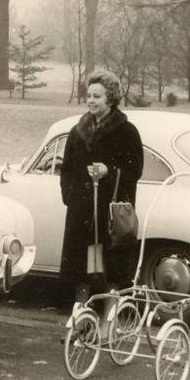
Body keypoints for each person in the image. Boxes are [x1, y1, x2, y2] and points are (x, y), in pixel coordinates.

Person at [59, 69, 144, 317]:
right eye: (89, 96)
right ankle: (81, 318)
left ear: (111, 98)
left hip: (110, 212)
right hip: (81, 211)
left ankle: (109, 322)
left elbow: (135, 170)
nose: (91, 101)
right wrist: (69, 194)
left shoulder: (127, 131)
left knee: (112, 268)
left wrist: (110, 170)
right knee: (80, 268)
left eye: (97, 96)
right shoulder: (77, 131)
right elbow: (66, 168)